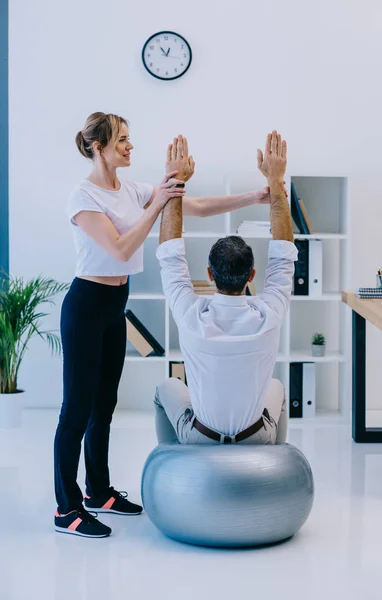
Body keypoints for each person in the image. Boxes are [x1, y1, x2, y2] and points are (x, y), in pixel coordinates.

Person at [54, 112, 275, 538]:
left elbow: (194, 207)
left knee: (104, 406)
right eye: (122, 140)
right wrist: (157, 203)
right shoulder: (83, 198)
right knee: (75, 410)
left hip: (115, 302)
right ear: (98, 147)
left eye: (129, 139)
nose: (130, 146)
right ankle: (67, 508)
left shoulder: (132, 189)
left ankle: (99, 491)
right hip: (85, 305)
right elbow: (119, 251)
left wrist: (254, 197)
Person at [154, 130, 297, 446]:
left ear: (209, 274)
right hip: (254, 437)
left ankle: (173, 459)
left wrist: (176, 179)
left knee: (166, 388)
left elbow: (169, 252)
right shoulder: (268, 313)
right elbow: (285, 253)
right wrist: (276, 181)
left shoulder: (191, 314)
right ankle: (275, 455)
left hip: (201, 437)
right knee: (277, 387)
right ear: (252, 276)